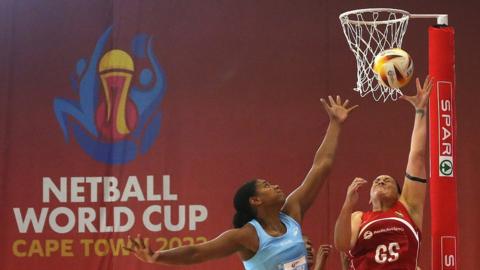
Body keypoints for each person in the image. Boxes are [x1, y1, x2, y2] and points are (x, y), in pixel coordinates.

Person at [126, 96, 358, 269]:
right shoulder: (247, 236)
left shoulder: (292, 212)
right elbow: (198, 252)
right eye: (267, 185)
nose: (276, 186)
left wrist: (335, 124)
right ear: (255, 200)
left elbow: (322, 166)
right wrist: (158, 256)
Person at [334, 76, 433, 270]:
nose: (380, 181)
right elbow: (342, 245)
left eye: (387, 181)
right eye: (377, 181)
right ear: (369, 198)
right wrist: (347, 204)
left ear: (399, 194)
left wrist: (421, 110)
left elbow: (417, 156)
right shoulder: (358, 217)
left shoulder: (408, 207)